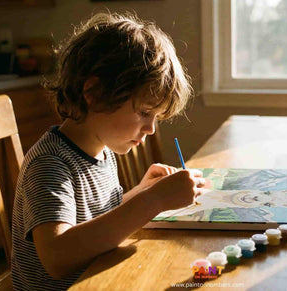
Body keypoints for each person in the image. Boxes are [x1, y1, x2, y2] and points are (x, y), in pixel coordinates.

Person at [11, 12, 204, 290]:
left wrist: (143, 191)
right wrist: (153, 202)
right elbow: (58, 256)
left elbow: (96, 223)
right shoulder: (50, 164)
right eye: (144, 113)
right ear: (95, 93)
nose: (150, 129)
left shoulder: (101, 150)